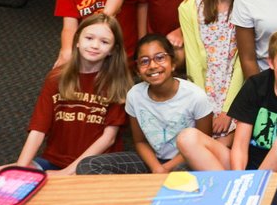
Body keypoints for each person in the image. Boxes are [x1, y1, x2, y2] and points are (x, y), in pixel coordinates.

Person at [177, 27, 277, 189]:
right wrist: (239, 177)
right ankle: (231, 191)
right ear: (271, 62)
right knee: (187, 137)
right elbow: (240, 145)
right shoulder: (256, 85)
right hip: (247, 165)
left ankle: (251, 193)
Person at [77, 33, 213, 174]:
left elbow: (203, 146)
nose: (153, 65)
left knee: (180, 177)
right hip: (151, 161)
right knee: (88, 165)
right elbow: (140, 142)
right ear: (138, 70)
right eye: (144, 61)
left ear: (173, 63)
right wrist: (156, 168)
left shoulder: (196, 96)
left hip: (187, 161)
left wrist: (166, 168)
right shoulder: (135, 96)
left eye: (160, 58)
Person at [16, 13, 133, 174]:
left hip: (96, 164)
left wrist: (67, 173)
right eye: (89, 38)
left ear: (113, 49)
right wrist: (20, 168)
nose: (95, 45)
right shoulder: (56, 78)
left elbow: (108, 138)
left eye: (104, 42)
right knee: (4, 174)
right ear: (77, 40)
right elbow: (38, 129)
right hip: (54, 161)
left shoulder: (117, 84)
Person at [179, 0, 248, 145]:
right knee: (199, 142)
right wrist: (205, 109)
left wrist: (228, 110)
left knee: (226, 143)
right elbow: (193, 60)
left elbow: (240, 64)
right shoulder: (190, 6)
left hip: (235, 93)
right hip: (202, 90)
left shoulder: (246, 7)